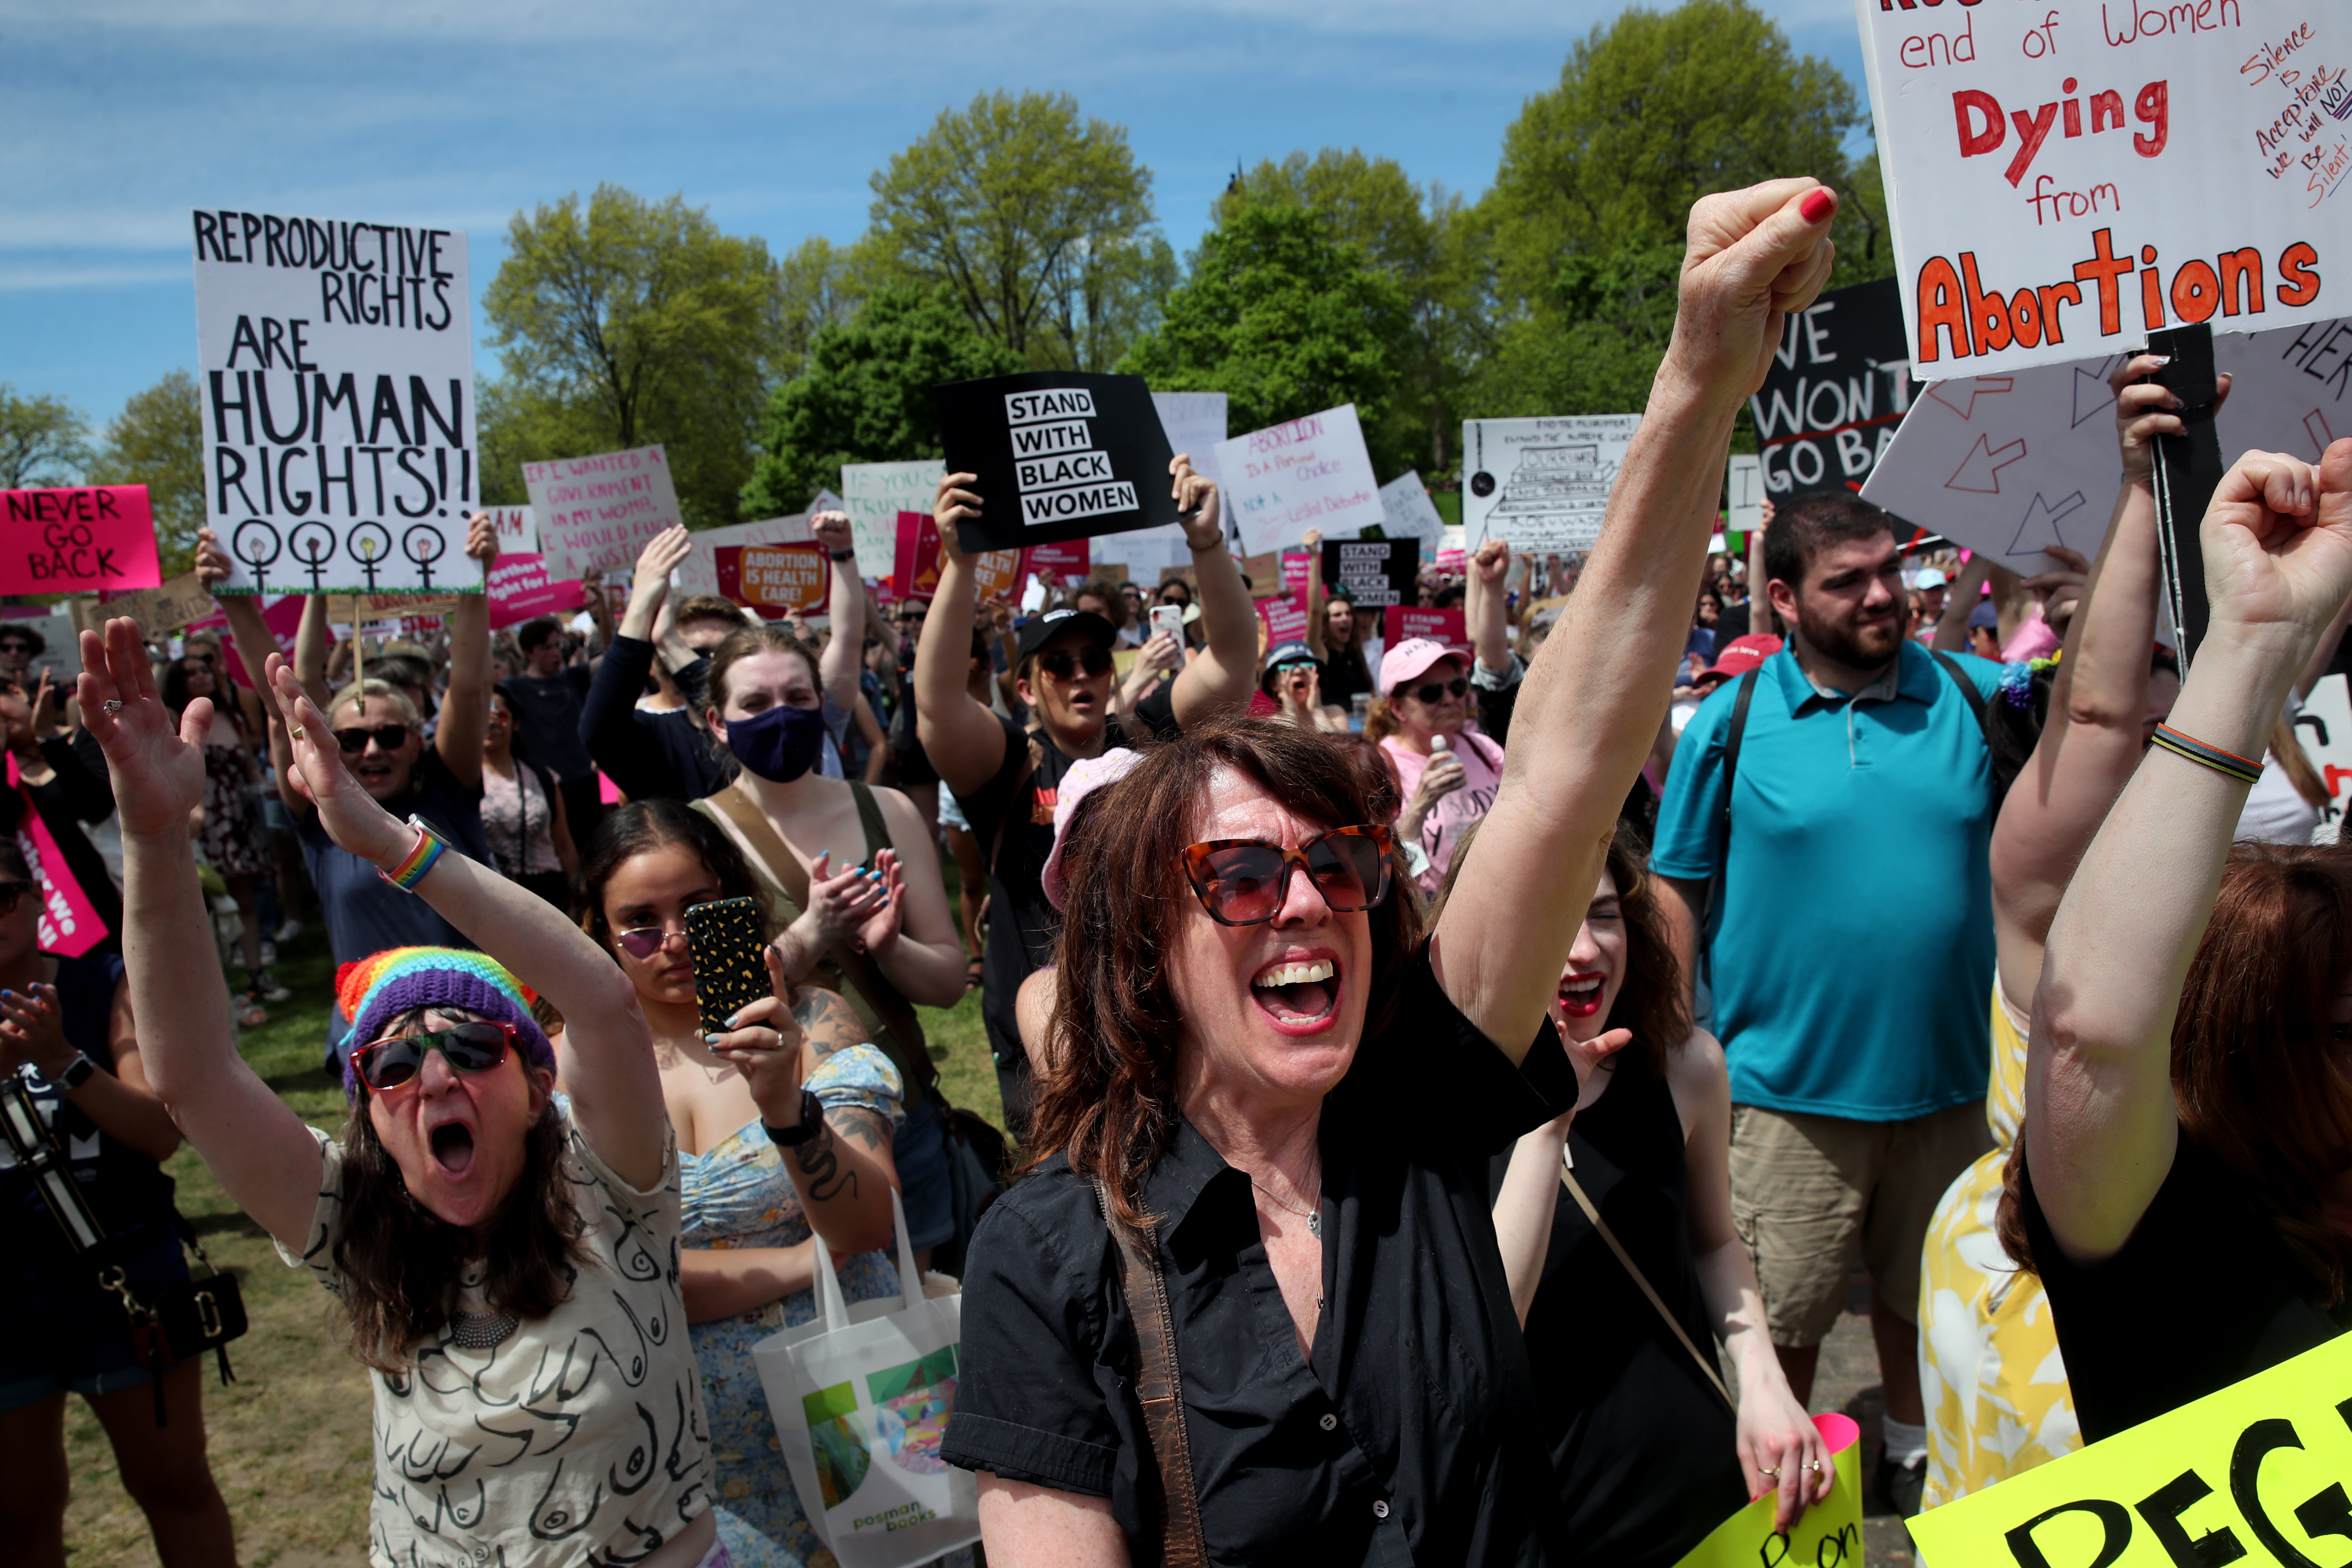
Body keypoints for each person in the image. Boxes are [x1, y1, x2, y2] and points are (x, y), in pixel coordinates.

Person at [941, 177, 1844, 1565]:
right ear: (1137, 943)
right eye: (1237, 875)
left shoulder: (1416, 1098)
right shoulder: (1050, 1254)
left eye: (1338, 862)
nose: (1302, 899)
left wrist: (1698, 371)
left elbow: (1557, 767)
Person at [79, 623, 728, 1567]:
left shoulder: (609, 1186)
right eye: (390, 1064)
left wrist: (389, 842)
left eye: (470, 1045)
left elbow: (599, 997)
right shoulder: (354, 1221)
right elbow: (195, 1076)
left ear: (538, 1079)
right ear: (371, 1110)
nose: (432, 1075)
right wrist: (151, 833)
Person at [1652, 488, 2006, 1513]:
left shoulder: (1974, 694)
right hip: (1784, 1099)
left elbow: (2109, 708)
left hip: (1954, 1088)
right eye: (1848, 580)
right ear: (1783, 599)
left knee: (1928, 1302)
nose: (1883, 594)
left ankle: (1912, 1447)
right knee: (1783, 1318)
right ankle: (1788, 1488)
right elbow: (1675, 885)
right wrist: (1678, 1047)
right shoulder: (1733, 721)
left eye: (1891, 569)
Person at [2002, 436, 2352, 1442]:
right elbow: (2093, 1034)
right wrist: (2248, 641)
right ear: (2241, 1044)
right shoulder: (2165, 1225)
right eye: (2345, 1027)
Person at [577, 800, 913, 1565]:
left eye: (697, 911)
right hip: (674, 1461)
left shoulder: (815, 1025)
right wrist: (802, 1259)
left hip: (860, 1421)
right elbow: (605, 1277)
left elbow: (865, 1225)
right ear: (598, 933)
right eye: (638, 921)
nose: (671, 941)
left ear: (738, 906)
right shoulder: (574, 1076)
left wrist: (783, 1104)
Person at [1484, 829, 1826, 1561]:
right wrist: (1548, 1122)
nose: (1582, 948)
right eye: (1552, 914)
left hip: (1702, 1494)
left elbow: (1713, 1239)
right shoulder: (1443, 1107)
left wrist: (1763, 1379)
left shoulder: (1686, 1065)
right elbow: (1488, 1326)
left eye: (1602, 913)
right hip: (1550, 1516)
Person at [914, 456, 1258, 1131]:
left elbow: (1232, 662)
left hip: (1161, 1008)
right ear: (1025, 687)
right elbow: (936, 703)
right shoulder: (1008, 760)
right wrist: (960, 567)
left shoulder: (1147, 737)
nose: (1081, 675)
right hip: (1049, 1029)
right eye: (1059, 664)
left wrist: (1207, 545)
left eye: (1095, 661)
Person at [691, 603, 968, 1267]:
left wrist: (888, 944)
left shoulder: (889, 811)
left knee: (924, 1334)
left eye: (797, 696)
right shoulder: (698, 836)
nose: (780, 714)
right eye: (755, 702)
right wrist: (813, 931)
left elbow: (950, 982)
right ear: (717, 724)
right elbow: (717, 1012)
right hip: (779, 1138)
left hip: (903, 1114)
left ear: (822, 703)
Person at [0, 837, 236, 1568]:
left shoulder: (107, 983)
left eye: (5, 892)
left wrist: (60, 1059)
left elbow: (159, 1133)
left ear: (39, 895)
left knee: (172, 1481)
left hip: (124, 1281)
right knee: (17, 1510)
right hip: (5, 1299)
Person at [202, 517, 497, 1068]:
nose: (370, 750)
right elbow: (286, 692)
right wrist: (236, 599)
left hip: (476, 1022)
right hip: (374, 1039)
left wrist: (473, 583)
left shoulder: (448, 789)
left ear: (417, 741)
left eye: (389, 735)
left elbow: (470, 686)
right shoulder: (319, 814)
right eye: (351, 739)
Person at [163, 650, 286, 1013]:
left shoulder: (230, 715)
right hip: (201, 823)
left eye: (206, 670)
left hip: (240, 819)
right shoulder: (173, 719)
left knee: (243, 900)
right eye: (192, 673)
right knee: (206, 908)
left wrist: (269, 786)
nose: (203, 676)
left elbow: (250, 769)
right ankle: (211, 991)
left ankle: (255, 973)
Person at [0, 673, 122, 951]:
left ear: (15, 693)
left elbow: (96, 806)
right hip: (69, 918)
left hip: (122, 891)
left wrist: (50, 739)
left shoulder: (86, 738)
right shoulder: (7, 777)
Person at [505, 614, 602, 842]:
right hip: (546, 788)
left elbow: (613, 657)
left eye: (558, 646)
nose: (556, 653)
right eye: (546, 648)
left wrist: (601, 614)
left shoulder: (573, 677)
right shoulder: (513, 689)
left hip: (585, 780)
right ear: (529, 654)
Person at [482, 684, 577, 908]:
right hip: (491, 894)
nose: (491, 723)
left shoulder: (541, 777)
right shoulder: (462, 782)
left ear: (516, 723)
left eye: (501, 716)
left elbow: (564, 845)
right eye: (482, 716)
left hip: (548, 892)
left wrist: (580, 900)